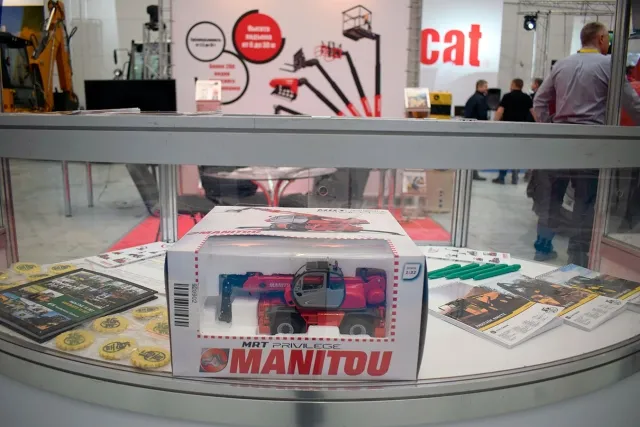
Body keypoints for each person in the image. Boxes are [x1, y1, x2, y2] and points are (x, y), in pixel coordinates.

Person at [531, 21, 640, 265]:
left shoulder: (562, 64)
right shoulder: (609, 64)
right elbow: (632, 104)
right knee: (585, 199)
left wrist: (551, 126)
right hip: (591, 142)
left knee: (553, 197)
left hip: (560, 140)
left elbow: (539, 101)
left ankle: (543, 246)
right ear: (601, 39)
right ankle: (577, 254)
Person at [492, 78, 537, 185]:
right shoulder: (527, 97)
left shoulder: (507, 96)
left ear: (513, 84)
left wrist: (494, 123)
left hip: (507, 129)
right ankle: (515, 177)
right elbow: (533, 112)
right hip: (521, 129)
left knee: (505, 153)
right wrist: (539, 124)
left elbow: (500, 111)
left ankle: (501, 177)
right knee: (517, 153)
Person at [464, 79, 489, 181]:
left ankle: (471, 173)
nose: (487, 89)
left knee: (471, 151)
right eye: (485, 86)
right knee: (475, 152)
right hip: (477, 128)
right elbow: (482, 115)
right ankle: (474, 174)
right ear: (480, 87)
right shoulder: (480, 99)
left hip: (470, 128)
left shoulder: (472, 98)